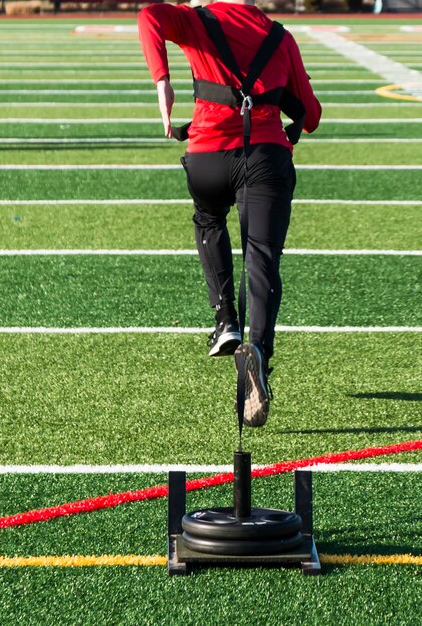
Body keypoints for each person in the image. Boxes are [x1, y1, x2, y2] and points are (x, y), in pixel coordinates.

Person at [138, 0, 321, 427]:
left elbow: (149, 15)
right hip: (265, 157)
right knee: (261, 255)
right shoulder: (280, 37)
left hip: (207, 159)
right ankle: (258, 348)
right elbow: (310, 115)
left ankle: (225, 321)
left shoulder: (196, 20)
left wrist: (163, 81)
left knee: (208, 218)